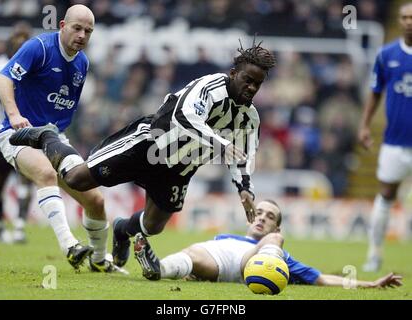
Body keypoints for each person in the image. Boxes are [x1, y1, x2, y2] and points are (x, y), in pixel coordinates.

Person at [9, 39, 276, 278]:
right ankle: (46, 136)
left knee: (154, 224)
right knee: (77, 180)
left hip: (179, 169)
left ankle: (123, 230)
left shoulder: (250, 118)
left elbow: (243, 155)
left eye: (257, 84)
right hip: (148, 145)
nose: (251, 87)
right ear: (233, 73)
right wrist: (221, 143)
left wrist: (244, 189)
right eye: (247, 80)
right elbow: (184, 117)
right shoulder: (209, 86)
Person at [0, 4, 122, 273]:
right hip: (18, 134)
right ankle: (69, 246)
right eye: (77, 28)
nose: (82, 35)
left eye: (88, 31)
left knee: (95, 200)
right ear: (62, 26)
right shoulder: (39, 47)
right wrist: (15, 114)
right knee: (45, 173)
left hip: (53, 137)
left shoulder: (82, 63)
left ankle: (99, 260)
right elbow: (2, 78)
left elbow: (65, 106)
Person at [133, 200, 403, 289]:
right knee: (192, 253)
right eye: (259, 213)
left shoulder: (280, 251)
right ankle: (159, 268)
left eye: (270, 217)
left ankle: (263, 271)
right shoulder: (225, 236)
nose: (262, 217)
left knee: (273, 243)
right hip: (215, 257)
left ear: (277, 225)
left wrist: (370, 284)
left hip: (246, 264)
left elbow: (321, 279)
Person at [358, 3, 412, 272]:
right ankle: (374, 254)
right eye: (404, 17)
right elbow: (375, 92)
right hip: (394, 142)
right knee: (386, 195)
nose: (409, 21)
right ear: (400, 21)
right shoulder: (386, 54)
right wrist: (365, 125)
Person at [0, 22, 33, 244]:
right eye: (17, 37)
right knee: (0, 181)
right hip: (0, 131)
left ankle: (19, 227)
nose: (20, 41)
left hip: (27, 130)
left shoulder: (36, 66)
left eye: (25, 38)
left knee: (27, 178)